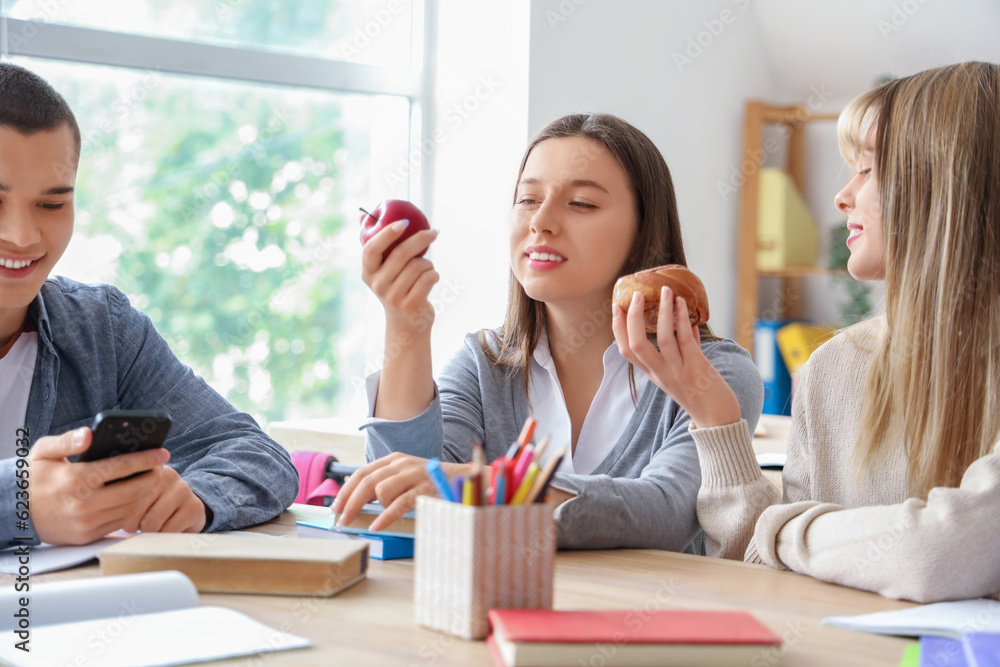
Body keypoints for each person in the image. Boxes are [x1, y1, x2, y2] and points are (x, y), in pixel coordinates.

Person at [333, 113, 763, 552]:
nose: (541, 222)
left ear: (647, 238)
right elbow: (402, 499)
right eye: (527, 199)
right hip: (501, 615)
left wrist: (497, 487)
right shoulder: (484, 363)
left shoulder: (716, 373)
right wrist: (405, 324)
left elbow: (664, 513)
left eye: (581, 204)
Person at [691, 62, 1000, 602]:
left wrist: (783, 528)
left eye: (867, 169)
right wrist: (715, 421)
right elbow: (763, 566)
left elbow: (944, 554)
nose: (842, 196)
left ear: (943, 181)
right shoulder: (833, 366)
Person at [0, 63, 298, 548]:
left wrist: (196, 501)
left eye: (52, 205)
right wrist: (18, 499)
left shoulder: (103, 331)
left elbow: (254, 452)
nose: (22, 236)